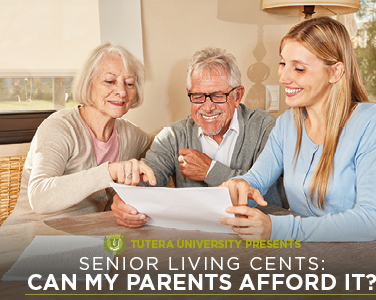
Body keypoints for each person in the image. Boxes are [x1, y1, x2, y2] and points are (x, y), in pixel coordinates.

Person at [220, 16, 376, 248]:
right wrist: (239, 185)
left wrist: (277, 229)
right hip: (312, 254)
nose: (283, 77)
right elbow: (255, 180)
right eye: (283, 63)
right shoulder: (286, 124)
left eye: (299, 68)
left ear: (335, 72)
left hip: (373, 259)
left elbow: (371, 221)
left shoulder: (370, 121)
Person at [111, 46, 287, 228]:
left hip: (256, 239)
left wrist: (210, 171)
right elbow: (146, 182)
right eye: (198, 96)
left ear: (237, 96)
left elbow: (274, 198)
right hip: (194, 241)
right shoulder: (173, 136)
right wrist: (125, 201)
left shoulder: (264, 126)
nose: (207, 107)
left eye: (218, 96)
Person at [3, 42, 154, 226]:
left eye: (129, 83)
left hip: (86, 239)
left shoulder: (132, 136)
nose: (122, 91)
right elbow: (39, 197)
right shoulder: (59, 127)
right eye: (110, 81)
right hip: (29, 237)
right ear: (88, 83)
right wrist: (108, 171)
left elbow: (164, 147)